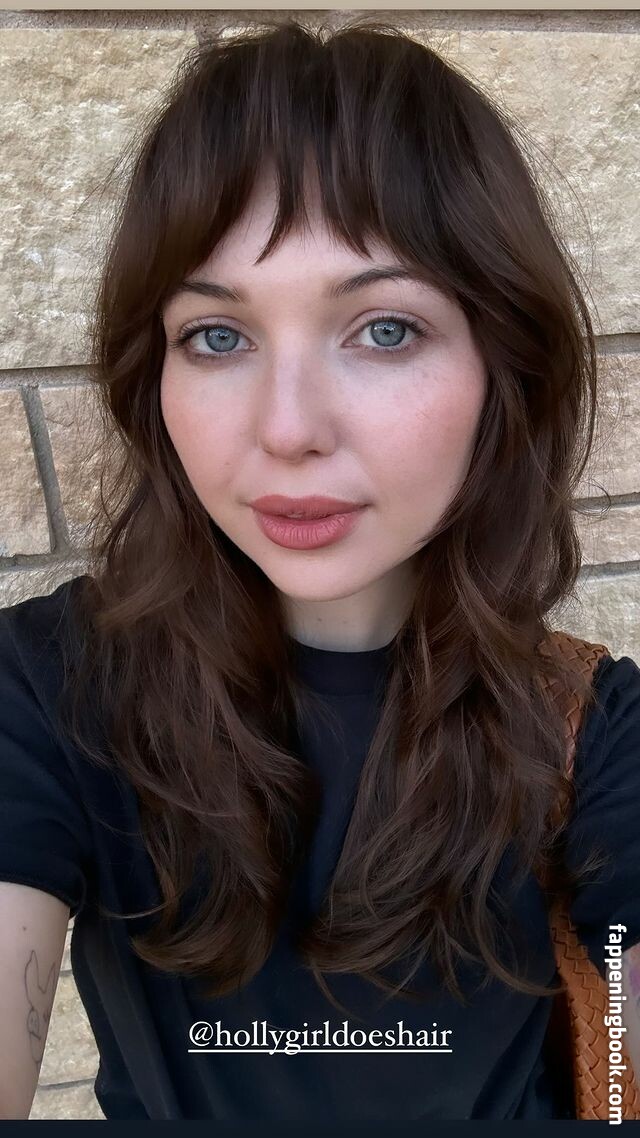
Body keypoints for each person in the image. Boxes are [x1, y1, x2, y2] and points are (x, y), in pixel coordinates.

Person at [1, 15, 639, 1122]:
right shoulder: (47, 689)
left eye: (384, 330)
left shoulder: (597, 731)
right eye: (217, 336)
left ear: (507, 368)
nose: (288, 428)